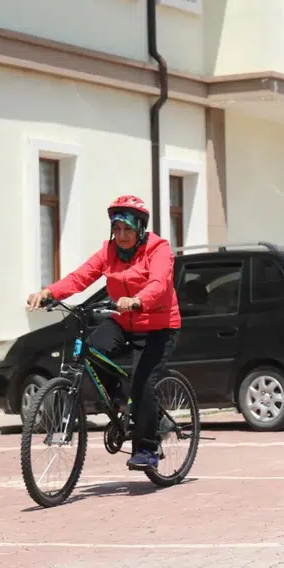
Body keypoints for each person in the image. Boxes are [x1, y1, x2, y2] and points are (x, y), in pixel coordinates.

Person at [27, 195, 180, 469]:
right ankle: (125, 402)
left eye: (127, 229)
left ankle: (148, 449)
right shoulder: (108, 252)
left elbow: (159, 283)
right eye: (116, 229)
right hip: (123, 321)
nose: (120, 236)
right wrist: (49, 292)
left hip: (158, 325)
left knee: (143, 383)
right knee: (92, 353)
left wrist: (138, 300)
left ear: (140, 229)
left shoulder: (159, 250)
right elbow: (81, 277)